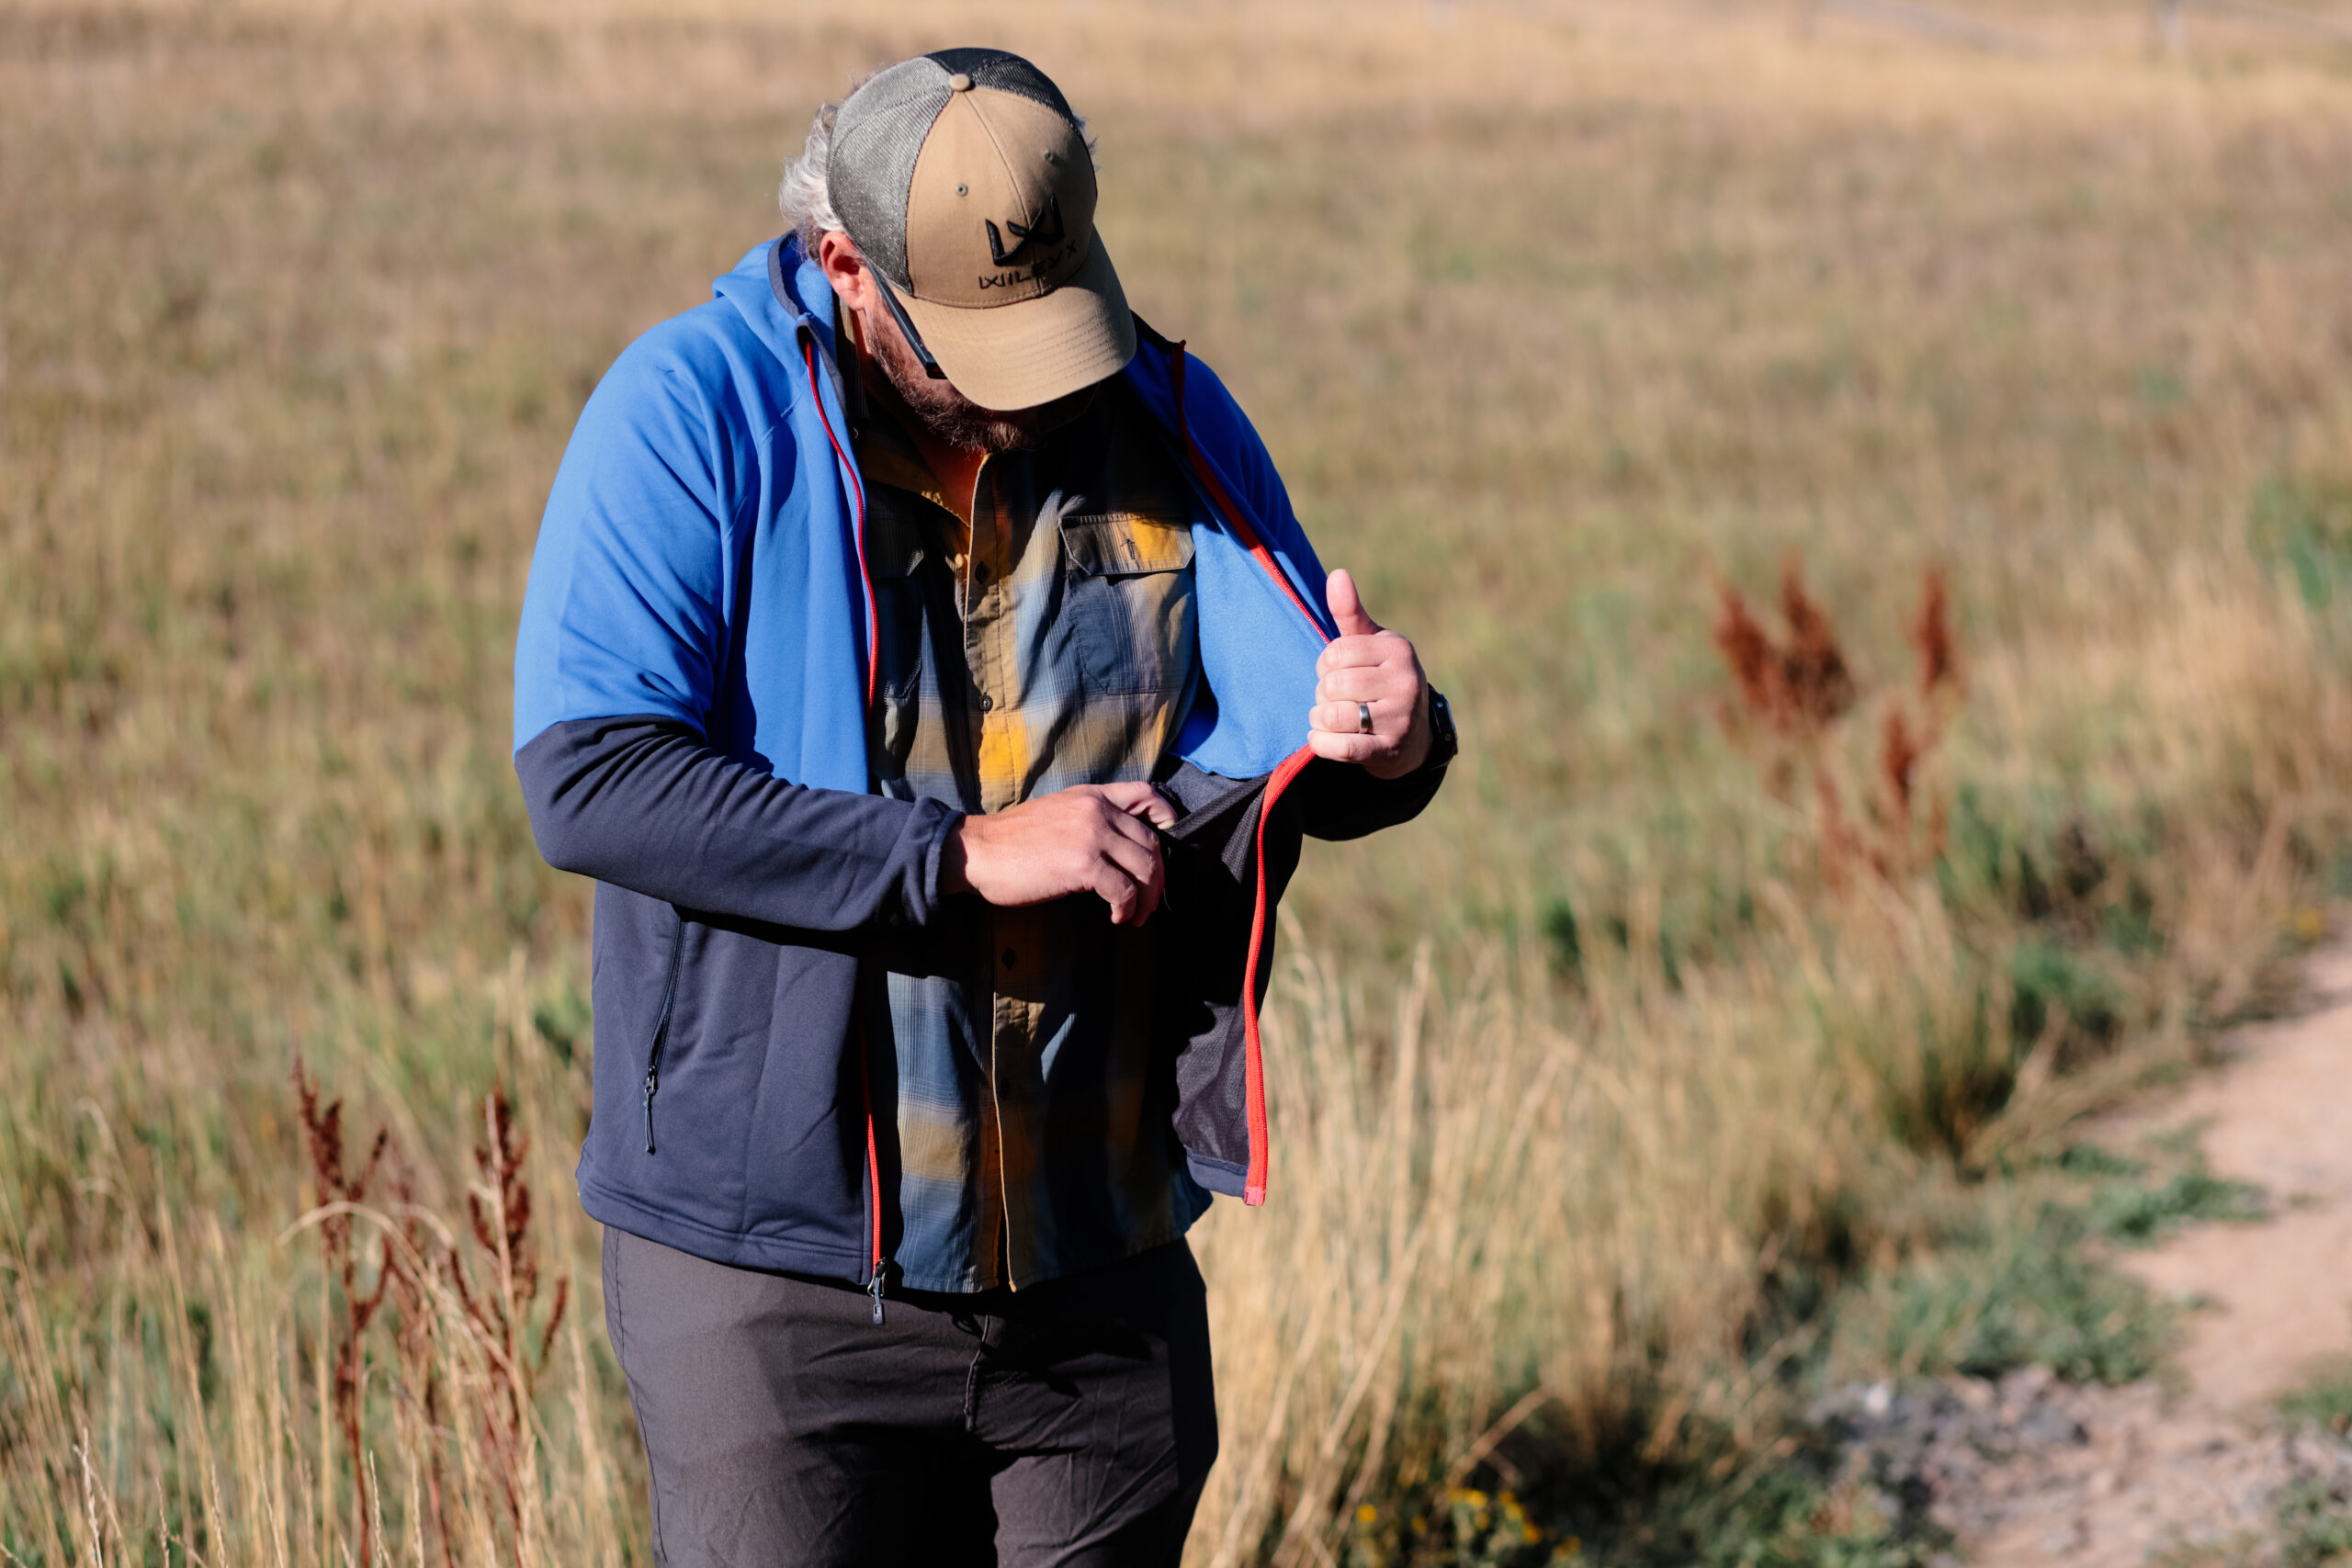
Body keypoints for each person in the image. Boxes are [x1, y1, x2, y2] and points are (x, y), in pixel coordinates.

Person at [513, 47, 1457, 1567]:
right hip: (778, 1299)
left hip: (1100, 1271)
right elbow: (592, 779)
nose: (1042, 388)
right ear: (845, 268)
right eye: (980, 347)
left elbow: (1297, 737)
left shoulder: (1162, 410)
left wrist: (1392, 739)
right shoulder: (687, 413)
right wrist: (955, 859)